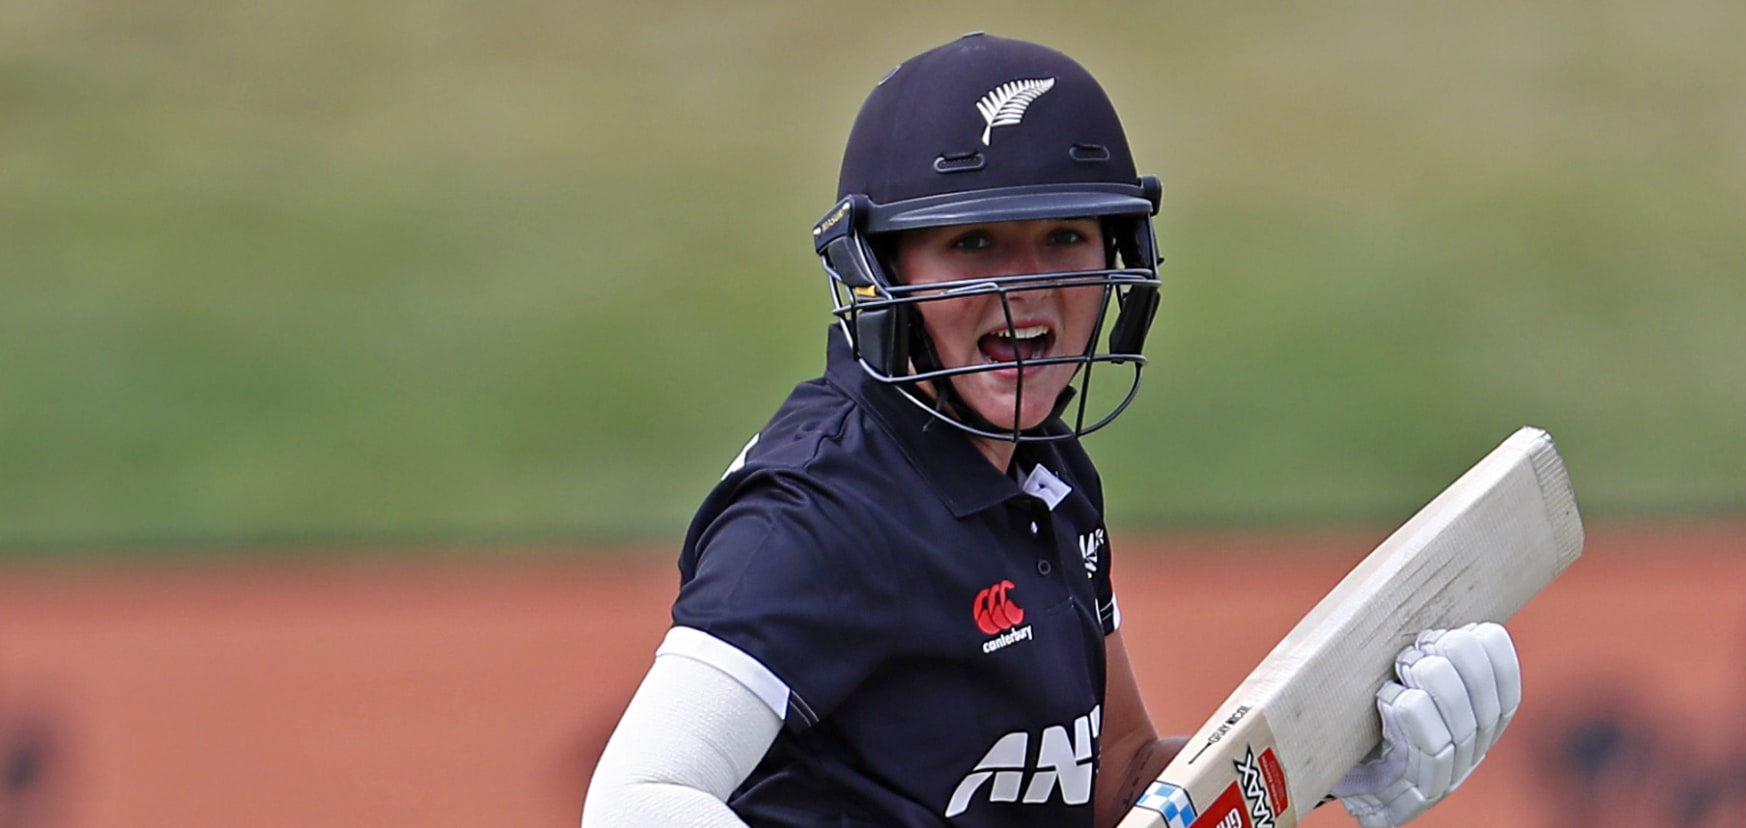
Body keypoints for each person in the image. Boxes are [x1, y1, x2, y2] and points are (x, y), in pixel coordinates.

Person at [583, 33, 1521, 828]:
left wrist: (1332, 756)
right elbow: (637, 798)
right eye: (975, 242)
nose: (1028, 288)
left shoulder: (1046, 474)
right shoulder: (821, 512)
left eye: (1065, 237)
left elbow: (1113, 778)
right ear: (883, 274)